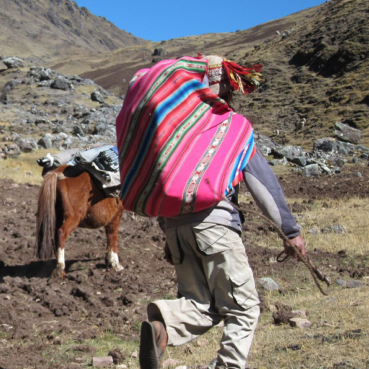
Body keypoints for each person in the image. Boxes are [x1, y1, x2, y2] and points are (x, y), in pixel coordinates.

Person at [114, 55, 306, 369]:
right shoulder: (231, 127)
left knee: (201, 304)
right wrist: (291, 233)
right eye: (230, 89)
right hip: (216, 227)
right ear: (219, 89)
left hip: (175, 230)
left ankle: (163, 328)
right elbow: (262, 185)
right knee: (243, 309)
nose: (232, 97)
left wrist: (170, 234)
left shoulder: (176, 133)